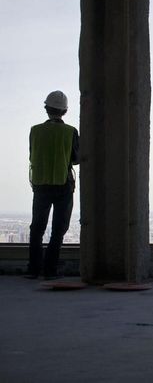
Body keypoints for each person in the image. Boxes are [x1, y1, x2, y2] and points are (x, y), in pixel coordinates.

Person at [26, 91, 80, 280]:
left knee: (37, 228)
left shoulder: (35, 130)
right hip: (63, 185)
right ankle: (50, 271)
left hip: (40, 184)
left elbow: (33, 153)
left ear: (46, 108)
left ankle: (33, 269)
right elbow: (76, 158)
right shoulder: (70, 131)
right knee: (58, 229)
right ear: (64, 110)